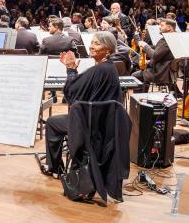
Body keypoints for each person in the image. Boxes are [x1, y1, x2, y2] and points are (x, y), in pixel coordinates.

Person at [43, 31, 123, 175]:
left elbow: (72, 93)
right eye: (92, 42)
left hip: (89, 125)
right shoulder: (110, 68)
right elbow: (84, 90)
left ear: (108, 50)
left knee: (52, 123)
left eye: (97, 44)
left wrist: (70, 70)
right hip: (104, 124)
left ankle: (54, 168)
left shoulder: (97, 70)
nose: (92, 46)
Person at [132, 18, 178, 92]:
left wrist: (145, 46)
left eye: (162, 25)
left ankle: (139, 98)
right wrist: (150, 61)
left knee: (135, 76)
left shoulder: (166, 39)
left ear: (169, 28)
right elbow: (163, 56)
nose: (159, 27)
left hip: (160, 72)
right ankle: (143, 97)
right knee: (142, 73)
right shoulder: (175, 37)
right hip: (167, 71)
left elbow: (155, 55)